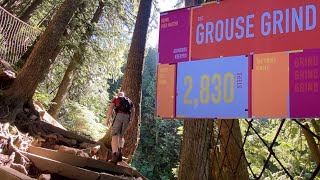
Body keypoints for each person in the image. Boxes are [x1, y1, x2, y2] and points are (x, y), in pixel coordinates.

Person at [106, 91, 135, 164]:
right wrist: (131, 119)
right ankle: (120, 150)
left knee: (114, 135)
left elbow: (110, 108)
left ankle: (114, 155)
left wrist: (108, 119)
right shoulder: (129, 100)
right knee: (121, 136)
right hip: (127, 118)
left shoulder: (116, 98)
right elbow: (133, 110)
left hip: (119, 116)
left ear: (118, 95)